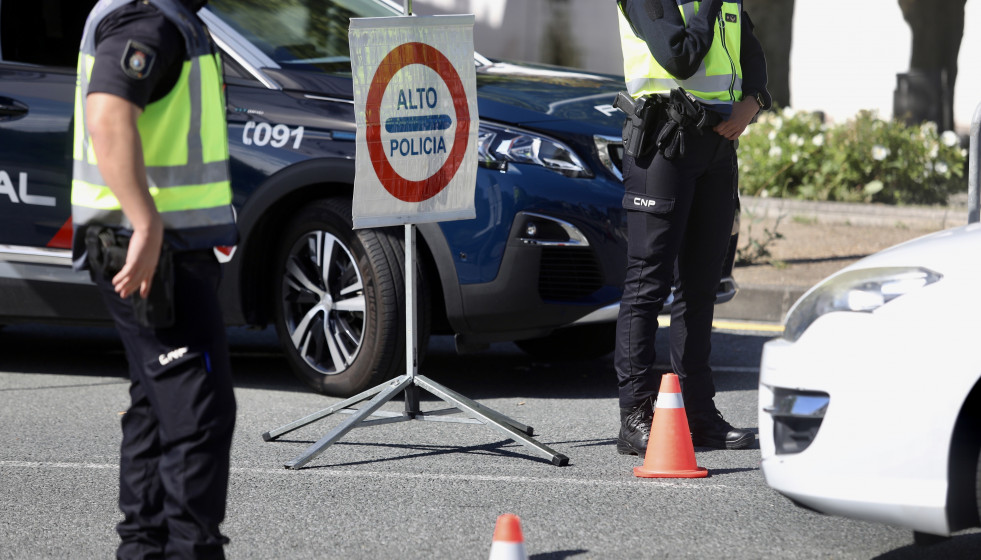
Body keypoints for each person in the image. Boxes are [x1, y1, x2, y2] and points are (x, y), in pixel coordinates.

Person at [72, 0, 239, 557]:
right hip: (149, 252)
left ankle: (143, 550)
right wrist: (145, 222)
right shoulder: (151, 21)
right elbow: (107, 113)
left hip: (158, 250)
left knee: (156, 406)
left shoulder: (163, 18)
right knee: (198, 415)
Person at [613, 0, 770, 455]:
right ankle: (636, 416)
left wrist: (754, 100)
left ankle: (699, 414)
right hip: (663, 144)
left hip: (717, 146)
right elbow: (678, 56)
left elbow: (751, 50)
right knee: (647, 283)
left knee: (701, 287)